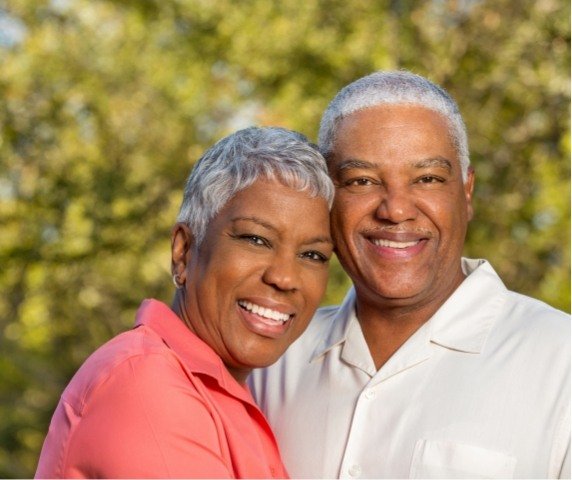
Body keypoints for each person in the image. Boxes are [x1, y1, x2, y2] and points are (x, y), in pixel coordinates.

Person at [249, 71, 571, 479]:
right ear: (326, 197)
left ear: (466, 192)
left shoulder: (561, 362)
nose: (396, 209)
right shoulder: (273, 360)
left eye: (427, 179)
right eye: (362, 180)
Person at [35, 126, 335, 478]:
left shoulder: (230, 395)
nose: (285, 278)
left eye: (313, 255)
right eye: (256, 239)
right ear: (184, 250)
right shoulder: (145, 384)